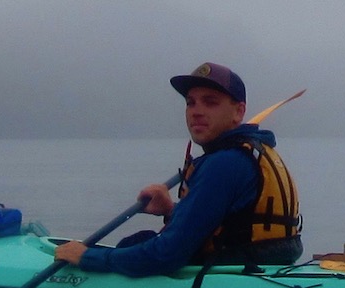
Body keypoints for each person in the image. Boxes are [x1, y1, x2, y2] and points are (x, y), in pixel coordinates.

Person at [51, 63, 302, 275]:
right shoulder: (254, 151)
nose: (197, 112)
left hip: (239, 270)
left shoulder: (225, 163)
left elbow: (167, 255)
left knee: (135, 244)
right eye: (191, 103)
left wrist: (87, 258)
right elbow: (232, 223)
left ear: (239, 112)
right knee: (138, 241)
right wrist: (173, 211)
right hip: (269, 264)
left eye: (210, 102)